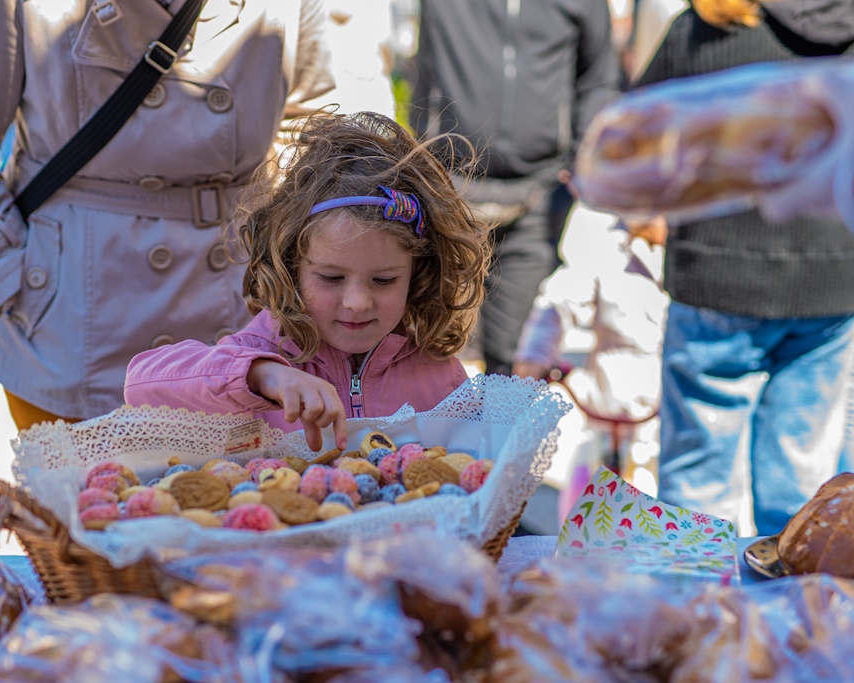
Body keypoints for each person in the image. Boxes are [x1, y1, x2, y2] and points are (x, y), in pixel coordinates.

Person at [0, 0, 339, 430]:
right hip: (71, 332)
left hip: (238, 320)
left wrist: (282, 273)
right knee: (79, 497)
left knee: (237, 492)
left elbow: (308, 134)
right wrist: (15, 281)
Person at [124, 111, 492, 451]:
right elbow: (141, 384)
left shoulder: (440, 375)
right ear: (291, 267)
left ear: (418, 274)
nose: (357, 301)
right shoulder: (266, 349)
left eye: (383, 280)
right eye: (331, 277)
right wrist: (262, 376)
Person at [633, 0, 854, 535]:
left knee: (696, 494)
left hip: (717, 274)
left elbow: (636, 142)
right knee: (803, 490)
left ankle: (700, 614)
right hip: (832, 280)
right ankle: (797, 617)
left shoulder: (707, 22)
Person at [408, 0, 621, 376]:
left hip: (538, 195)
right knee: (437, 355)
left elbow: (599, 80)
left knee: (517, 361)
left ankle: (508, 436)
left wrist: (578, 162)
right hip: (449, 193)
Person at [514, 204, 669, 501]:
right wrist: (533, 357)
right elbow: (562, 297)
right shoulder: (601, 223)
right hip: (606, 414)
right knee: (588, 505)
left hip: (670, 421)